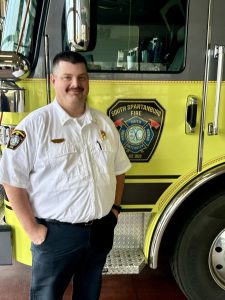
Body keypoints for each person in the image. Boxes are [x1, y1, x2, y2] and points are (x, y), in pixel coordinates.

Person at [0, 51, 131, 300]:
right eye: (67, 77)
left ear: (88, 81)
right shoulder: (34, 125)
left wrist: (114, 210)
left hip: (99, 231)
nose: (76, 84)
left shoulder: (103, 124)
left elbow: (119, 170)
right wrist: (34, 231)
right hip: (55, 236)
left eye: (82, 77)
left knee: (89, 293)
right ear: (53, 80)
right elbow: (11, 181)